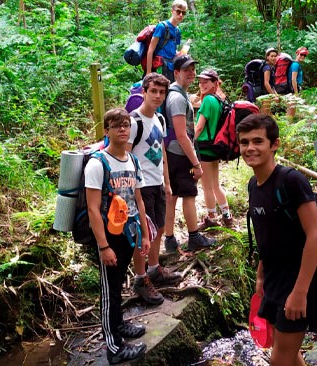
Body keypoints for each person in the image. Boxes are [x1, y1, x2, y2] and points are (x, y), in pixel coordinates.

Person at [238, 113, 317, 366]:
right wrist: (261, 273)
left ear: (274, 144)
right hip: (274, 278)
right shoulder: (254, 185)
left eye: (258, 141)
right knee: (284, 349)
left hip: (300, 279)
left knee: (279, 360)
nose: (250, 148)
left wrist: (300, 292)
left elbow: (315, 235)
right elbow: (268, 234)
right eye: (245, 142)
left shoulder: (291, 181)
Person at [86, 108, 151, 364]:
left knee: (118, 286)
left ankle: (120, 326)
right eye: (116, 126)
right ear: (107, 131)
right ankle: (113, 349)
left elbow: (139, 200)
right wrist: (103, 246)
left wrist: (145, 235)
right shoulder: (97, 163)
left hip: (128, 232)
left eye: (126, 125)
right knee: (109, 290)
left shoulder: (132, 161)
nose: (122, 130)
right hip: (108, 237)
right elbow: (93, 208)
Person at [127, 73, 183, 305]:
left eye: (162, 92)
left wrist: (167, 183)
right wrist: (132, 190)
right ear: (144, 92)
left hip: (158, 183)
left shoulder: (159, 119)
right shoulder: (133, 121)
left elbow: (162, 155)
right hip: (140, 187)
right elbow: (126, 157)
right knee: (143, 235)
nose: (158, 96)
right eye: (154, 92)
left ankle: (154, 269)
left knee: (158, 228)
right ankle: (140, 279)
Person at [163, 55, 216, 252]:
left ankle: (169, 239)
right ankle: (194, 237)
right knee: (189, 195)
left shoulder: (177, 94)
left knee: (173, 195)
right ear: (176, 73)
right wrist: (196, 163)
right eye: (186, 70)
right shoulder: (177, 98)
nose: (191, 73)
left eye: (193, 69)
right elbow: (181, 134)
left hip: (173, 153)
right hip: (180, 154)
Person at [193, 69, 233, 229]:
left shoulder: (208, 100)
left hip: (204, 148)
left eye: (206, 82)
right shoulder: (219, 99)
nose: (202, 84)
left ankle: (211, 218)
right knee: (215, 184)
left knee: (207, 187)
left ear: (215, 83)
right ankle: (227, 215)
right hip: (215, 147)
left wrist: (189, 144)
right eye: (201, 81)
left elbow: (199, 127)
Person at [145, 0, 186, 82]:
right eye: (178, 11)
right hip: (160, 66)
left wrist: (181, 54)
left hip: (172, 67)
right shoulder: (162, 27)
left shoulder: (177, 31)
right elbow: (150, 50)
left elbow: (174, 51)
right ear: (172, 11)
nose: (181, 15)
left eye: (183, 13)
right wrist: (148, 73)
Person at [287, 47, 309, 118]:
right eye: (301, 54)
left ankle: (290, 121)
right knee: (292, 106)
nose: (303, 56)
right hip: (292, 87)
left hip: (295, 87)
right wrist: (296, 92)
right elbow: (293, 79)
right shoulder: (295, 65)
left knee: (293, 106)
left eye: (304, 55)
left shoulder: (296, 64)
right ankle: (289, 123)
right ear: (297, 54)